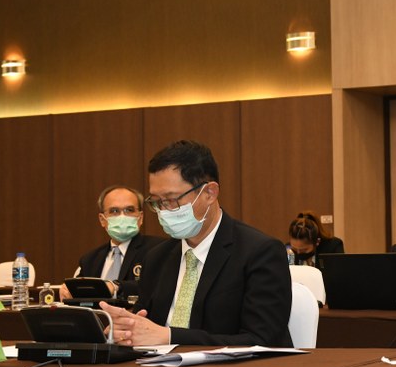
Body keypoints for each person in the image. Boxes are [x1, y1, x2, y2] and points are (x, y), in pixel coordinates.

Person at [101, 140, 292, 347]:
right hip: (157, 365)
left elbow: (262, 340)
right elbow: (146, 326)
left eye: (172, 199)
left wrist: (170, 337)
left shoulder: (260, 252)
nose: (164, 210)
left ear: (209, 193)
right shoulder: (156, 258)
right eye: (156, 202)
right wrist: (126, 331)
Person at [59, 185, 165, 301]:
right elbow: (79, 293)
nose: (122, 216)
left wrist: (115, 287)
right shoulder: (90, 260)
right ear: (102, 220)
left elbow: (156, 285)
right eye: (114, 211)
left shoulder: (158, 249)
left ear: (140, 217)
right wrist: (69, 291)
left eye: (129, 210)